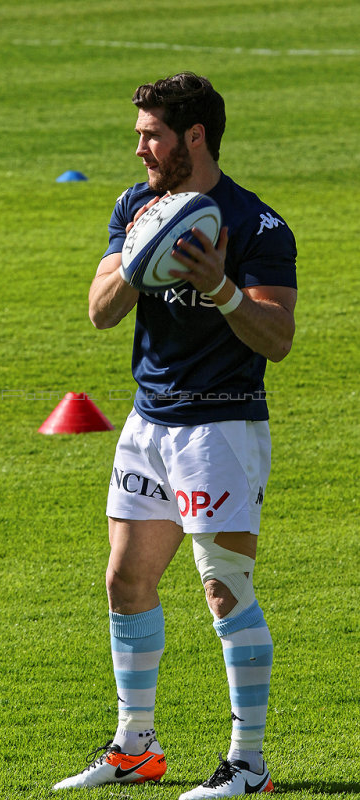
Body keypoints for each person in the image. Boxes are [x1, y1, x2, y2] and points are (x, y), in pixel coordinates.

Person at [52, 72, 297, 798]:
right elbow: (100, 313)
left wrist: (222, 287)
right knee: (126, 580)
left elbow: (277, 336)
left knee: (225, 591)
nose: (140, 151)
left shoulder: (257, 225)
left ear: (195, 136)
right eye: (138, 136)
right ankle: (136, 746)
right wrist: (137, 257)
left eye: (151, 135)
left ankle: (248, 765)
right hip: (148, 421)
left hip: (220, 426)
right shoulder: (136, 206)